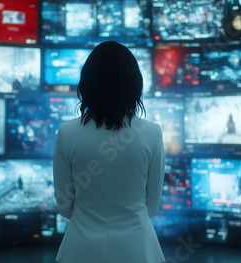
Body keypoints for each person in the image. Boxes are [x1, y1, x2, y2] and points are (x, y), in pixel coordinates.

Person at [53, 41, 165, 263]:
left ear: (86, 83)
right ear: (134, 84)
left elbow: (65, 206)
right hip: (139, 251)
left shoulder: (66, 132)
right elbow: (151, 207)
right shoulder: (152, 133)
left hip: (79, 251)